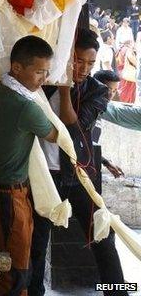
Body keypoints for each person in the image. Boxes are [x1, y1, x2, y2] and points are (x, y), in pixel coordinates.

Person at [29, 29, 126, 296]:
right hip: (44, 176)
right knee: (37, 243)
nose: (83, 69)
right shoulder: (41, 82)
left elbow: (74, 130)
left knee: (103, 237)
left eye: (90, 64)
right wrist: (58, 82)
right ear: (66, 58)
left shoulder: (97, 91)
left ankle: (118, 292)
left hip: (78, 176)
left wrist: (65, 89)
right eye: (78, 61)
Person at [0, 36, 58, 296]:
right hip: (8, 197)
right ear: (16, 68)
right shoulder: (26, 107)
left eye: (47, 72)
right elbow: (55, 135)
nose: (43, 79)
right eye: (38, 72)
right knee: (14, 276)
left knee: (13, 268)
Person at [93, 70, 125, 178]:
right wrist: (106, 162)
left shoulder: (99, 111)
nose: (111, 94)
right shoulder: (89, 110)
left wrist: (106, 163)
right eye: (108, 89)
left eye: (115, 91)